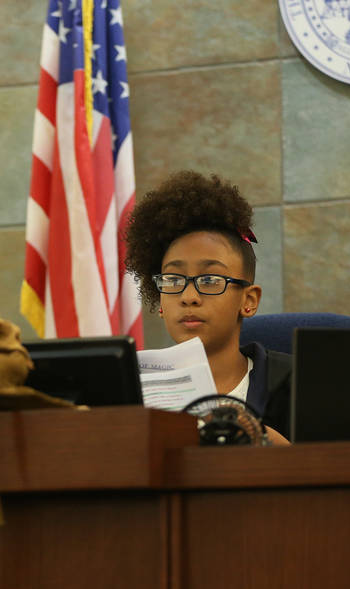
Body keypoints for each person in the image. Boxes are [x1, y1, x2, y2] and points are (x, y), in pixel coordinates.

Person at [123, 170, 291, 444]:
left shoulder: (296, 386)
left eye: (211, 280)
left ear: (248, 301)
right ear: (161, 301)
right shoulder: (131, 391)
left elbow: (333, 476)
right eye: (174, 280)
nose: (189, 296)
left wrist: (255, 433)